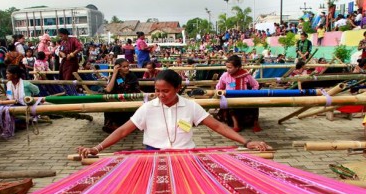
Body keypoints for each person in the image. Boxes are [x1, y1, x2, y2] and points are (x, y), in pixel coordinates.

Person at [77, 69, 271, 157]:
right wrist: (97, 148)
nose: (160, 95)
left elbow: (218, 126)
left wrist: (246, 142)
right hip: (152, 157)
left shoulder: (191, 106)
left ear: (178, 88)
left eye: (166, 91)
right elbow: (122, 131)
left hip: (187, 156)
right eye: (157, 91)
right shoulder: (147, 108)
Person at [215, 55, 261, 132]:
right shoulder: (225, 76)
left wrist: (252, 93)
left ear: (237, 67)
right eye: (227, 67)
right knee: (230, 104)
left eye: (230, 67)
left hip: (245, 97)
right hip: (231, 98)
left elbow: (255, 85)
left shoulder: (246, 75)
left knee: (255, 103)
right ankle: (236, 124)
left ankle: (255, 123)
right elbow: (219, 87)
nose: (228, 70)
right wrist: (221, 94)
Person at [103, 58, 141, 133]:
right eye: (124, 67)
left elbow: (137, 90)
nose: (127, 68)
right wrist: (114, 74)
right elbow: (108, 90)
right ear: (118, 68)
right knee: (110, 104)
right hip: (116, 100)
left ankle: (123, 126)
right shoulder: (115, 76)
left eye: (127, 66)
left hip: (129, 99)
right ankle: (115, 125)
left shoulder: (132, 75)